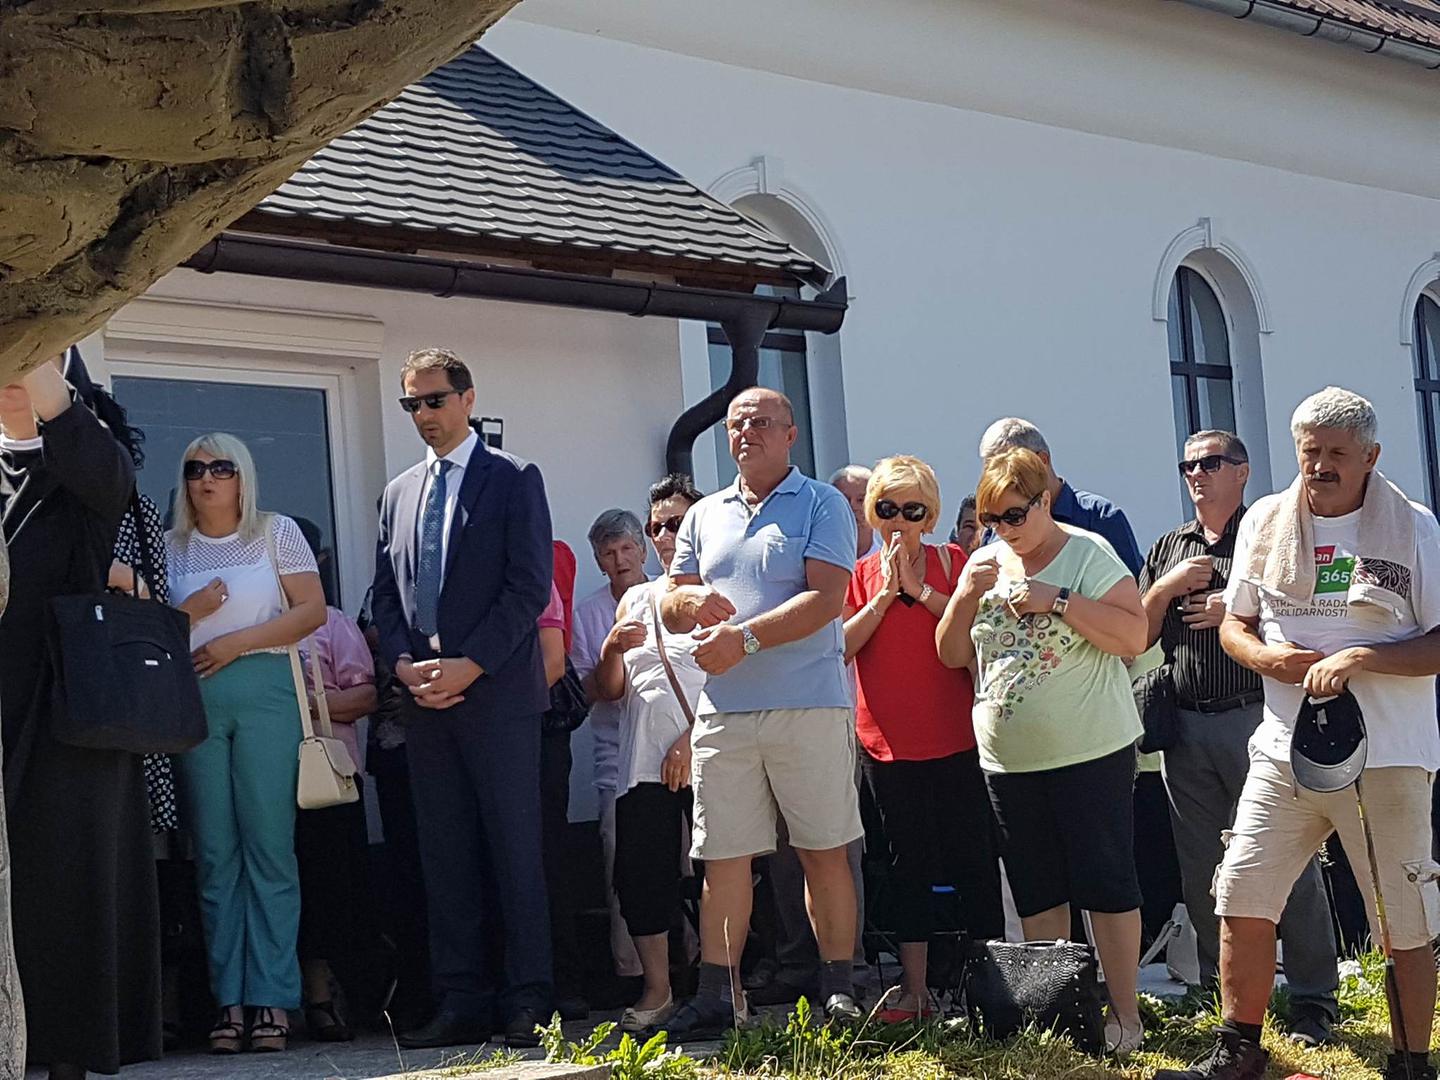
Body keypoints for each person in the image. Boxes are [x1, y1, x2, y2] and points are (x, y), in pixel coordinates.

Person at [1160, 389, 1440, 1080]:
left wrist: (1363, 657)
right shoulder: (1265, 520)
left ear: (1371, 456)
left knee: (1403, 917)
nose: (1320, 465)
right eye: (1310, 451)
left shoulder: (1414, 527)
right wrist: (1267, 660)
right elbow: (1236, 624)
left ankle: (1411, 1062)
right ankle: (1238, 1053)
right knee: (1241, 892)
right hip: (1283, 749)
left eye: (1337, 453)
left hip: (1387, 756)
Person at [659, 387, 862, 1038]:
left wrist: (742, 639)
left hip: (808, 705)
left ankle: (839, 987)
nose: (746, 432)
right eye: (736, 423)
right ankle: (718, 995)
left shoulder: (823, 502)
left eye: (762, 422)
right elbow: (672, 599)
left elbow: (826, 599)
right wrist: (689, 606)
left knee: (822, 852)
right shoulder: (703, 514)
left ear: (791, 435)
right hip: (725, 711)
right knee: (723, 859)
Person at [936, 446, 1148, 1056]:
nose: (1003, 530)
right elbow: (951, 653)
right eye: (991, 519)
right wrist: (963, 595)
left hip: (1090, 751)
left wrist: (1057, 599)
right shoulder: (985, 561)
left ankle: (1125, 1016)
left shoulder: (1087, 552)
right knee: (1037, 890)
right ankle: (1058, 1021)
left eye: (1014, 515)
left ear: (1044, 501)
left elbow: (1133, 635)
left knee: (1106, 885)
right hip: (1009, 762)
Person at [371, 347, 554, 1050]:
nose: (424, 414)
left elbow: (527, 586)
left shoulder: (512, 478)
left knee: (514, 853)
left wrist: (471, 665)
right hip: (425, 701)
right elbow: (385, 596)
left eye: (435, 400)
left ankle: (529, 998)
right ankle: (461, 1000)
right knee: (444, 856)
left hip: (496, 698)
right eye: (412, 403)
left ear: (468, 399)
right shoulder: (398, 493)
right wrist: (403, 664)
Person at [1139, 430, 1338, 1045]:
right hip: (1185, 725)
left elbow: (1311, 612)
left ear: (1243, 472)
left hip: (1258, 715)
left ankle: (1313, 999)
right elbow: (1136, 634)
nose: (1196, 475)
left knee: (1289, 859)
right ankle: (1218, 994)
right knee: (1203, 865)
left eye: (1210, 463)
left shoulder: (1272, 535)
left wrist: (1235, 609)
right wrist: (1167, 586)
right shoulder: (1170, 545)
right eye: (1187, 466)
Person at [0, 349, 160, 1079]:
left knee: (65, 885)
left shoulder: (88, 466)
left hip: (67, 711)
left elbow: (99, 465)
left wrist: (31, 335)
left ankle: (67, 1057)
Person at [166, 432, 326, 1054]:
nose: (207, 478)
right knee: (213, 853)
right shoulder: (171, 546)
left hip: (266, 690)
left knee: (269, 846)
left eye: (221, 466)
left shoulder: (274, 531)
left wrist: (235, 642)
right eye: (194, 469)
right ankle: (228, 1003)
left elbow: (311, 610)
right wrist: (194, 612)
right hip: (194, 697)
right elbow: (153, 625)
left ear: (242, 475)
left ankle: (273, 1001)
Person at [843, 455, 1003, 1021]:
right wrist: (886, 595)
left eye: (913, 511)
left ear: (929, 516)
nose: (900, 522)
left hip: (956, 738)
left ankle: (991, 992)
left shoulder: (953, 561)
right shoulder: (858, 574)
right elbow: (843, 646)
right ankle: (915, 992)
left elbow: (974, 634)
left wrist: (920, 590)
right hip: (887, 745)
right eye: (888, 509)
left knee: (974, 863)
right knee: (906, 868)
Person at [591, 473, 707, 1032]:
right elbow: (611, 691)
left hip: (710, 753)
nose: (664, 536)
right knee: (640, 878)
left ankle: (724, 989)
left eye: (676, 524)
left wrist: (689, 740)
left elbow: (739, 676)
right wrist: (611, 649)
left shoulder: (719, 589)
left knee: (720, 875)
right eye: (656, 526)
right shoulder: (636, 598)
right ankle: (657, 990)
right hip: (640, 762)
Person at [571, 509, 650, 984]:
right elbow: (584, 692)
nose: (619, 560)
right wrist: (612, 655)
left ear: (643, 550)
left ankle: (697, 963)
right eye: (608, 553)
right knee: (621, 867)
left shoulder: (672, 598)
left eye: (626, 548)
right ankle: (632, 973)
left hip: (677, 757)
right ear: (599, 561)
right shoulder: (589, 614)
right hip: (615, 760)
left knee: (688, 865)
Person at [295, 603, 380, 1042]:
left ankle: (333, 995)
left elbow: (365, 697)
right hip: (265, 777)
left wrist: (304, 703)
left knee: (333, 889)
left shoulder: (330, 622)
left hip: (330, 778)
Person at [978, 418, 1144, 575]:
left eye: (1012, 469)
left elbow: (1136, 591)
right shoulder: (994, 532)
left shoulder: (1100, 519)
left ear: (1042, 460)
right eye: (993, 473)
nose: (1001, 481)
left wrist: (1059, 594)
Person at [830, 464, 881, 560]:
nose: (853, 507)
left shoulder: (888, 560)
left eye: (861, 500)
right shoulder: (820, 558)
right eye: (844, 499)